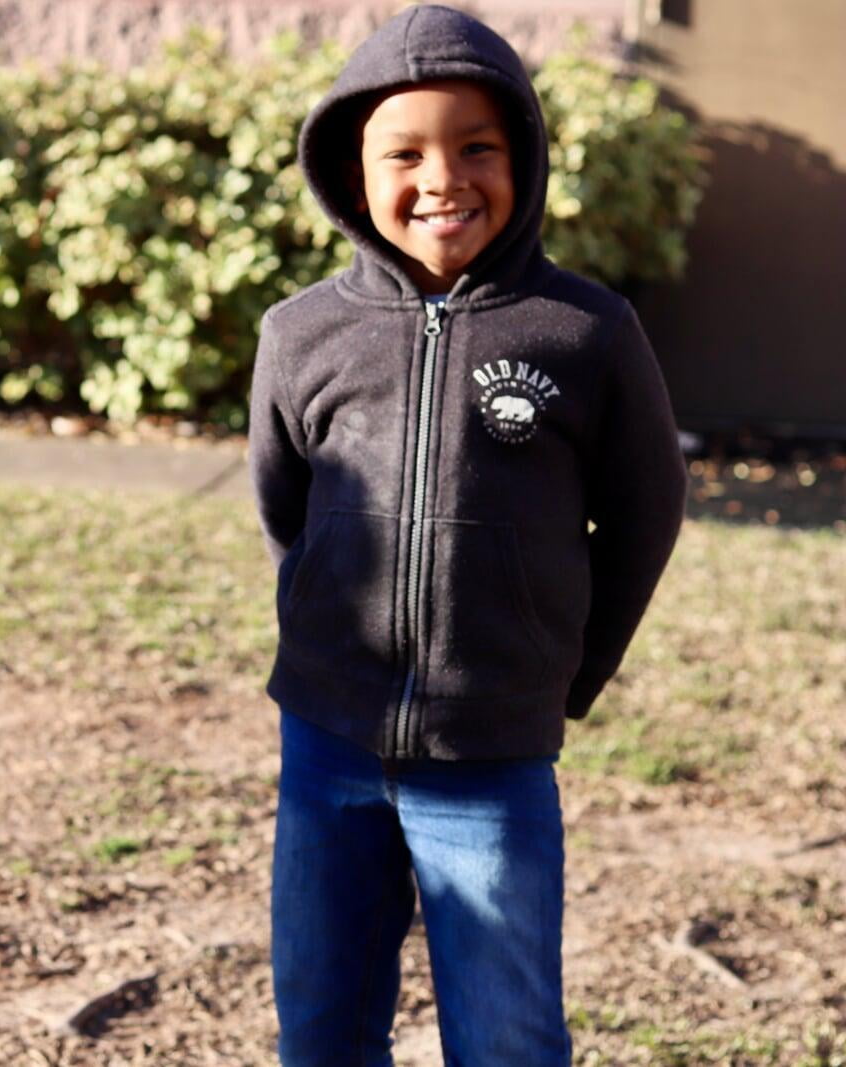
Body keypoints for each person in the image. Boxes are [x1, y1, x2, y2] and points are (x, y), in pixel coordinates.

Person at [248, 6, 686, 1063]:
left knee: (506, 1036)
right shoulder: (300, 333)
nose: (443, 178)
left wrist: (562, 671)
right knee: (320, 1024)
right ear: (351, 177)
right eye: (405, 154)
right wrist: (326, 647)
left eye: (476, 147)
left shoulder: (585, 332)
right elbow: (283, 509)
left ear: (523, 158)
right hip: (326, 744)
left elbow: (645, 509)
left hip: (491, 755)